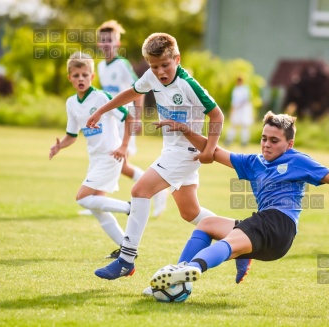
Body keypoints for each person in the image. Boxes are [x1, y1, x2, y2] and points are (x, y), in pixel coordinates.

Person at [148, 111, 329, 291]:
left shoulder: (298, 160)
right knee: (206, 224)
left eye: (274, 140)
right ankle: (174, 279)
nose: (267, 144)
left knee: (232, 239)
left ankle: (192, 269)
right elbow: (215, 151)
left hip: (280, 225)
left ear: (289, 144)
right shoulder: (254, 162)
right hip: (267, 231)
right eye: (264, 138)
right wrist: (184, 129)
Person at [86, 32, 237, 282]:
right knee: (190, 213)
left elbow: (217, 115)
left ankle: (126, 260)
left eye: (165, 65)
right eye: (154, 66)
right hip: (171, 151)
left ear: (177, 59)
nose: (160, 71)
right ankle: (239, 234)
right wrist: (102, 110)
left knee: (139, 190)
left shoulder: (188, 84)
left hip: (186, 152)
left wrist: (210, 149)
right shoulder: (151, 76)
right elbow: (131, 93)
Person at [79, 20, 168, 230]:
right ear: (99, 44)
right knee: (115, 163)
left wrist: (136, 117)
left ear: (118, 44)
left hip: (125, 120)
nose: (107, 44)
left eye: (111, 40)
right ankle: (97, 201)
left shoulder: (122, 65)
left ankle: (157, 190)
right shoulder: (100, 65)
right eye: (103, 41)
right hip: (111, 121)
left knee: (119, 163)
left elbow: (139, 90)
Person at [49, 52, 132, 259]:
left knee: (83, 198)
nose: (81, 79)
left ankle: (130, 207)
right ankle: (126, 248)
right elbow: (71, 135)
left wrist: (124, 146)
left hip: (110, 156)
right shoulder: (71, 103)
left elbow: (129, 117)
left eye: (85, 75)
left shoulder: (101, 97)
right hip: (94, 158)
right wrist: (60, 146)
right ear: (69, 78)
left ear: (92, 77)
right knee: (97, 209)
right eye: (76, 75)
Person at [224, 76, 254, 147]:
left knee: (244, 126)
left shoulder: (245, 89)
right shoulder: (235, 89)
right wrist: (233, 109)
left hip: (244, 110)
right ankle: (228, 140)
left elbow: (246, 99)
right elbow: (233, 101)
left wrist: (238, 106)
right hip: (236, 109)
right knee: (233, 125)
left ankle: (244, 142)